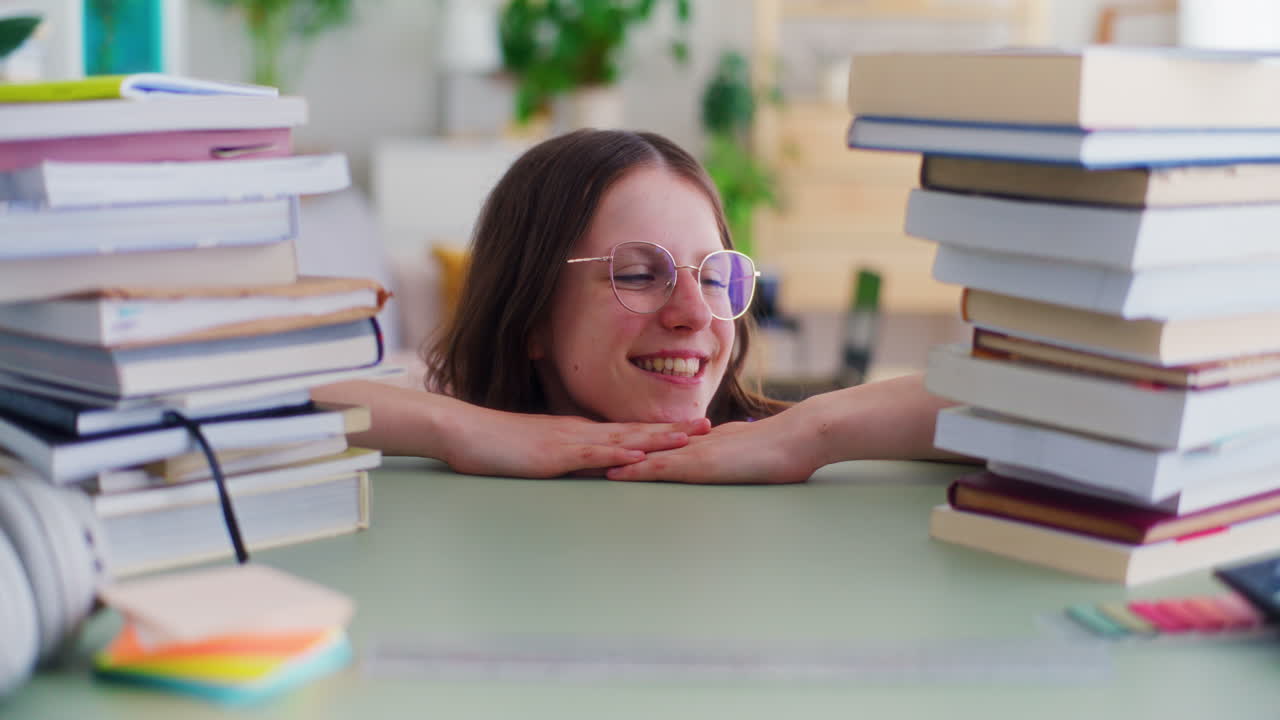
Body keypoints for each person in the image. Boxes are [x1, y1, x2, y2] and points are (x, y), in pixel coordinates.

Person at [315, 129, 957, 480]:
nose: (695, 315)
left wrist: (808, 433)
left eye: (712, 277)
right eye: (639, 274)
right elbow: (258, 395)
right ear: (533, 313)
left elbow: (1035, 399)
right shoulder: (454, 415)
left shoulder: (773, 446)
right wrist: (466, 429)